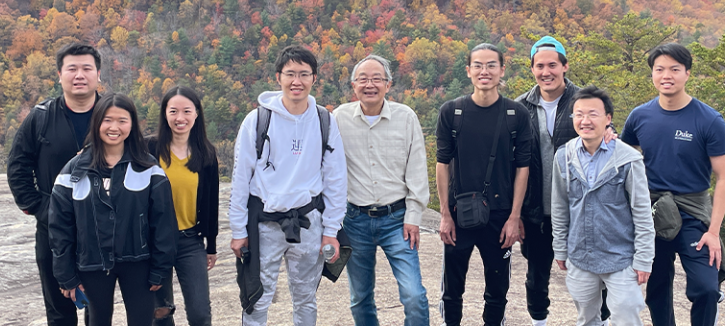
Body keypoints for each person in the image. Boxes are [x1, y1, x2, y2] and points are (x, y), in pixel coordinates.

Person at [228, 45, 348, 326]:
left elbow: (335, 178)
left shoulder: (324, 120)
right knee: (256, 297)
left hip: (308, 221)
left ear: (314, 78)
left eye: (304, 74)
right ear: (278, 77)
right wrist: (238, 230)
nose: (297, 81)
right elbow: (241, 178)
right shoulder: (258, 120)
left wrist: (332, 230)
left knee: (306, 298)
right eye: (290, 74)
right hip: (265, 223)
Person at [620, 43, 725, 326]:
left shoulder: (709, 120)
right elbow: (622, 159)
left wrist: (714, 231)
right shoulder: (640, 116)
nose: (666, 75)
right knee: (657, 288)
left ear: (687, 73)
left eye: (674, 69)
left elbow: (724, 178)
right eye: (659, 69)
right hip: (652, 212)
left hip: (693, 213)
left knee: (707, 288)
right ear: (653, 74)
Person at [48, 93, 178, 326]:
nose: (114, 127)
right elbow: (60, 228)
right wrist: (65, 274)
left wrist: (161, 267)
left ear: (132, 124)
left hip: (139, 262)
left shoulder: (148, 169)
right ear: (96, 122)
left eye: (122, 120)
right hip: (91, 264)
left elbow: (164, 223)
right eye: (107, 120)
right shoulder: (73, 171)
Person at [514, 36, 612, 325]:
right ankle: (539, 321)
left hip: (580, 210)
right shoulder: (519, 108)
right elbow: (511, 165)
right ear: (532, 69)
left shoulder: (583, 102)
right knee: (536, 277)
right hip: (535, 211)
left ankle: (601, 321)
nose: (547, 72)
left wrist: (610, 132)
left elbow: (606, 131)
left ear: (565, 66)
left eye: (553, 65)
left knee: (595, 277)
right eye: (540, 66)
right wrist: (514, 213)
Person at [436, 43, 533, 326]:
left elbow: (522, 168)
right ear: (468, 71)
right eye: (477, 65)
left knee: (497, 291)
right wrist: (444, 214)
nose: (484, 71)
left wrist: (515, 217)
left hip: (500, 216)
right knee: (452, 290)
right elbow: (442, 164)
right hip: (459, 213)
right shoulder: (452, 112)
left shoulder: (516, 115)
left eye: (491, 65)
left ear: (502, 70)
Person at [7, 42, 102, 326]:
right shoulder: (41, 116)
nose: (79, 75)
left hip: (102, 230)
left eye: (87, 68)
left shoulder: (113, 115)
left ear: (98, 74)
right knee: (59, 312)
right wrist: (39, 207)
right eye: (72, 69)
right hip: (52, 231)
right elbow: (17, 165)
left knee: (98, 310)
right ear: (60, 75)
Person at [333, 55, 430, 326]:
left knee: (413, 294)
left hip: (397, 219)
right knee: (360, 297)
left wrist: (414, 215)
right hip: (354, 220)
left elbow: (417, 168)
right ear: (353, 85)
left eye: (377, 79)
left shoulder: (405, 117)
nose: (370, 84)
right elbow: (326, 167)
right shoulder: (338, 118)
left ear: (388, 85)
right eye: (363, 79)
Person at [551, 86, 655, 326]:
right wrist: (560, 248)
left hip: (621, 257)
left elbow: (642, 212)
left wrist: (643, 258)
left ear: (608, 118)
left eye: (593, 114)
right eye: (578, 114)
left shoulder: (628, 159)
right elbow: (559, 206)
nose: (585, 121)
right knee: (586, 318)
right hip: (580, 255)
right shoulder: (564, 156)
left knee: (626, 315)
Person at [149, 86, 219, 326]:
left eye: (187, 111)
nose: (180, 118)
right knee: (161, 312)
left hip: (190, 241)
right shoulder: (148, 149)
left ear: (196, 114)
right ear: (165, 114)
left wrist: (211, 245)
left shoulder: (206, 154)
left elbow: (211, 204)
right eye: (174, 111)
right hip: (154, 243)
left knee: (200, 314)